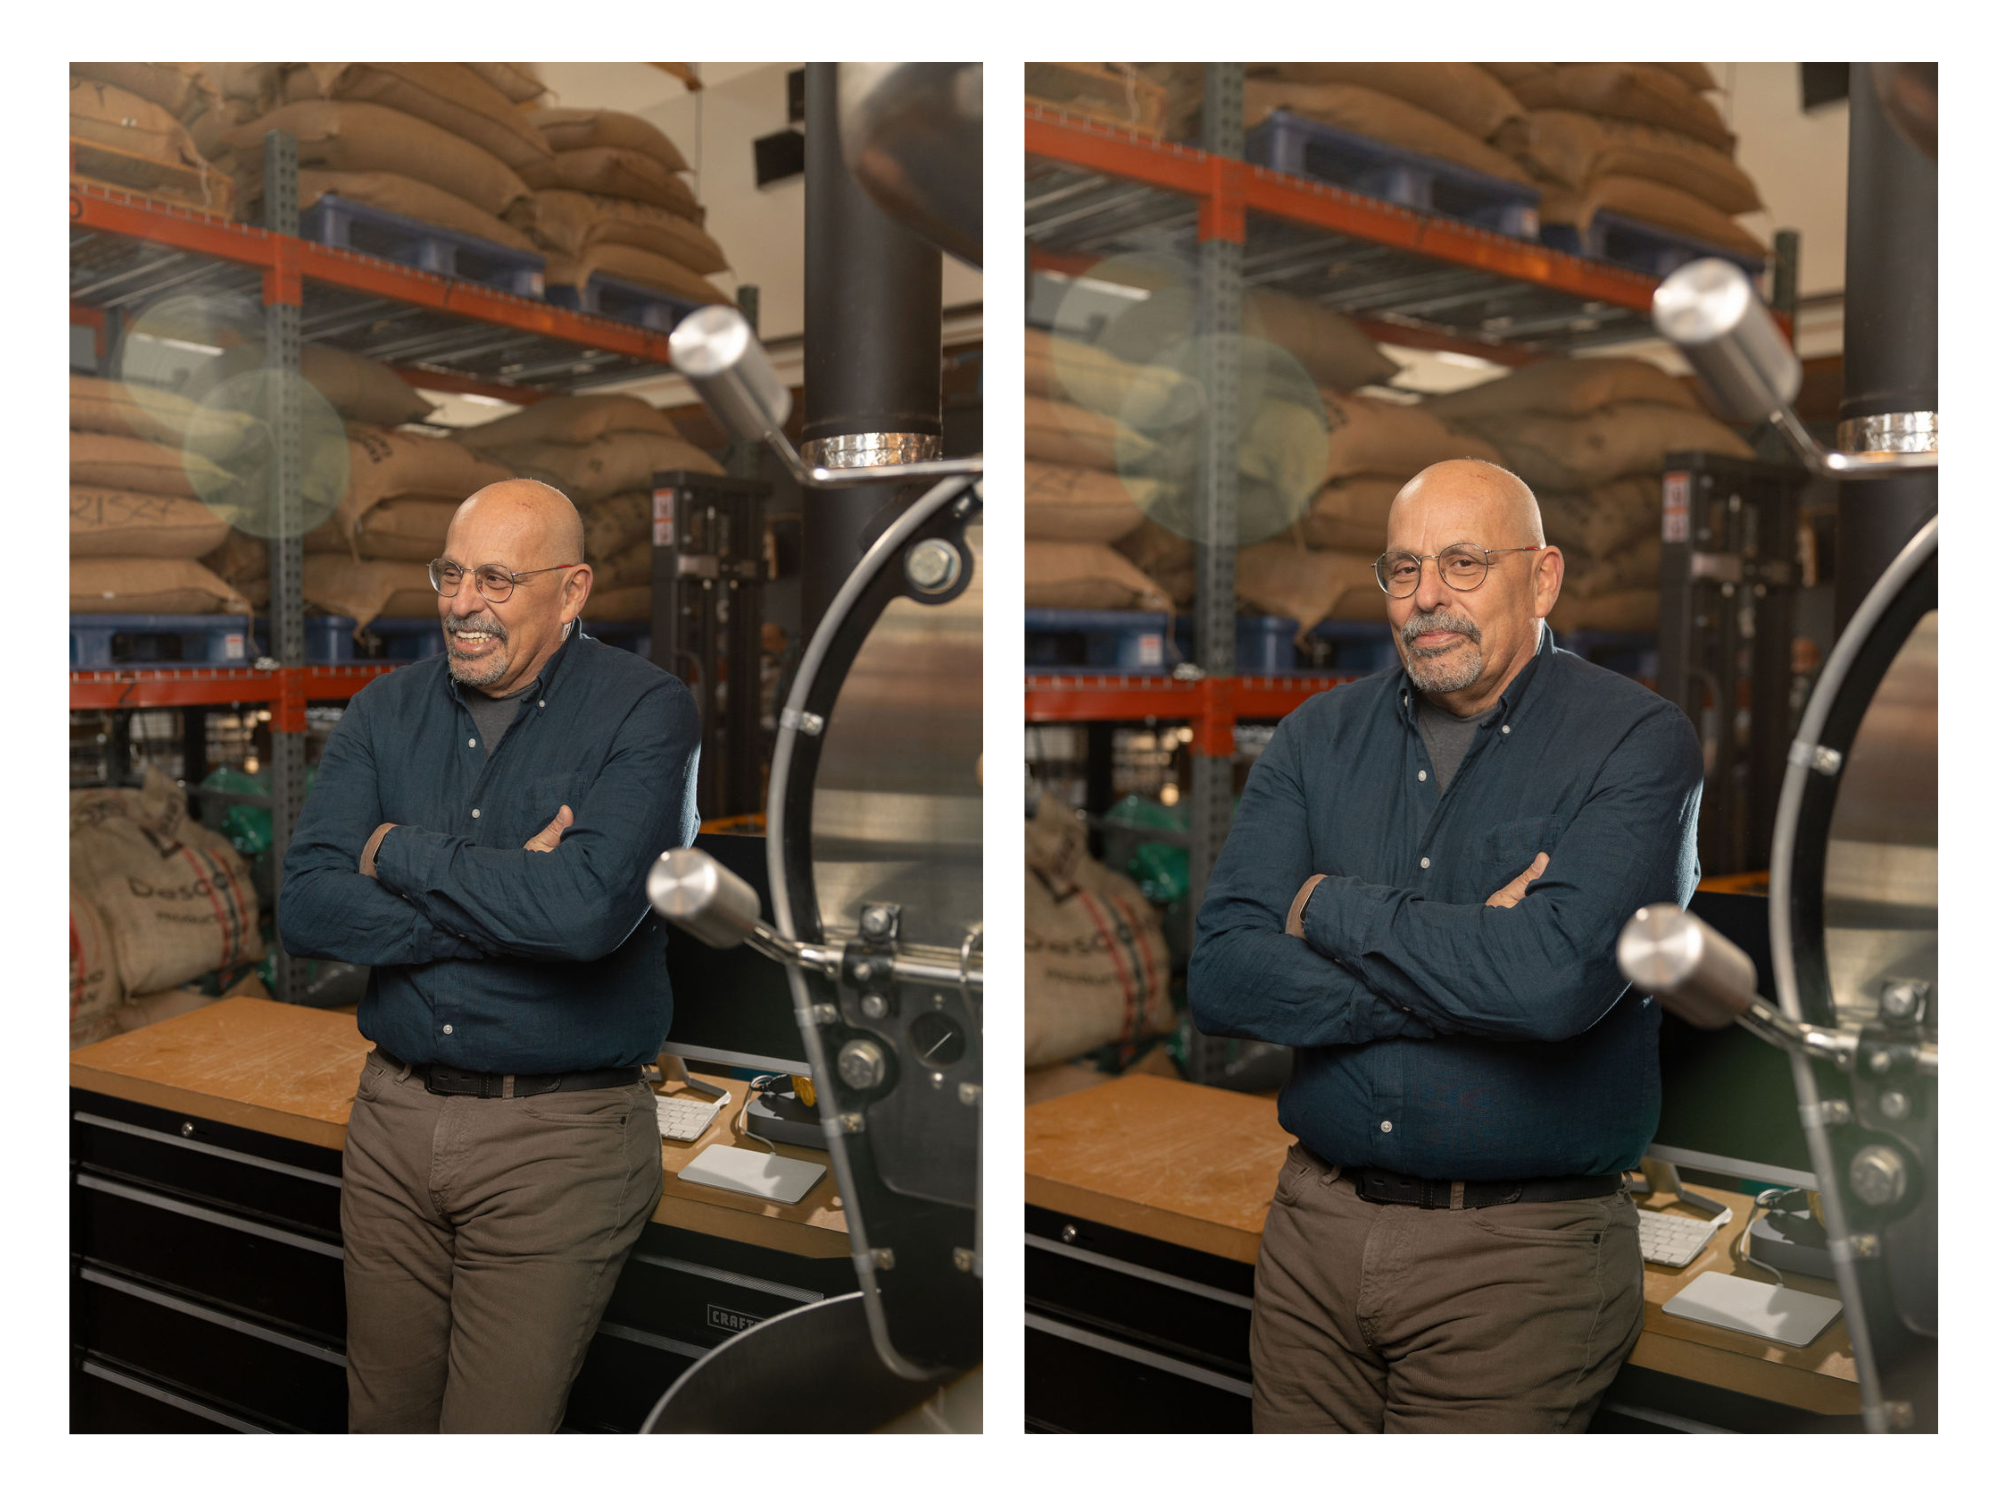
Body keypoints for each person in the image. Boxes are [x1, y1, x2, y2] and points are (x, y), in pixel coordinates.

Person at [1189, 458, 1704, 1433]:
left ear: (1540, 577)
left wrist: (1328, 909)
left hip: (1515, 1261)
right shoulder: (1313, 739)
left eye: (1462, 564)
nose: (1426, 597)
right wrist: (1472, 963)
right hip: (1311, 1232)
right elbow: (1220, 975)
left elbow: (1550, 987)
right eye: (1402, 568)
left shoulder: (1634, 741)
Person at [279, 478, 700, 1433]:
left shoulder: (646, 711)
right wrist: (510, 895)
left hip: (556, 1144)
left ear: (574, 590)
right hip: (391, 1121)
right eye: (453, 573)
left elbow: (586, 917)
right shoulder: (386, 711)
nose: (464, 602)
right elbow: (305, 906)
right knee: (382, 1432)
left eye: (498, 578)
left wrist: (396, 852)